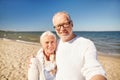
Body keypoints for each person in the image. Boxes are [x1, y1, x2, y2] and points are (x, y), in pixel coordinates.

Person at [52, 11, 107, 80]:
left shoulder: (86, 44)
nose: (62, 29)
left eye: (65, 24)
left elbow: (93, 68)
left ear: (72, 24)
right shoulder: (55, 44)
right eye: (58, 26)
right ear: (55, 28)